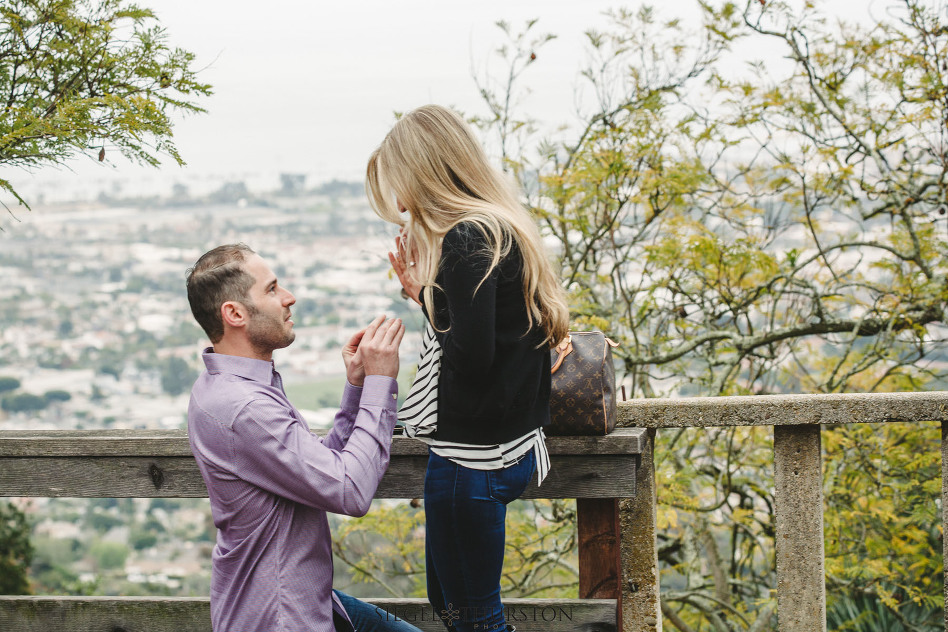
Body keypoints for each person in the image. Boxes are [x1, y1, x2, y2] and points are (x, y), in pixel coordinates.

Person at [366, 105, 570, 632]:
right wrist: (429, 296)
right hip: (514, 449)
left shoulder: (466, 238)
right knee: (455, 606)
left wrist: (426, 298)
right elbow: (495, 339)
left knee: (473, 618)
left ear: (426, 173)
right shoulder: (504, 228)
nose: (401, 205)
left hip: (470, 463)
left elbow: (471, 361)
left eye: (401, 186)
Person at [185, 243, 420, 632]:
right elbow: (350, 490)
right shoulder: (245, 408)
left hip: (301, 597)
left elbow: (317, 466)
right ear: (235, 313)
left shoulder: (229, 388)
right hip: (281, 614)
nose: (289, 298)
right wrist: (381, 380)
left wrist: (358, 387)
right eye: (273, 289)